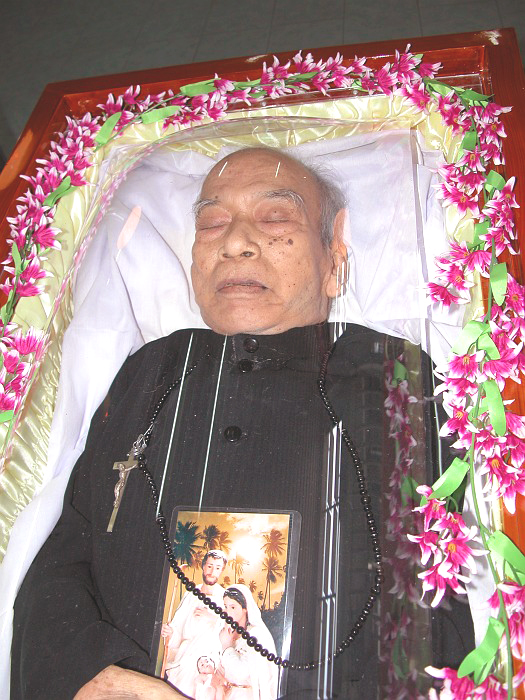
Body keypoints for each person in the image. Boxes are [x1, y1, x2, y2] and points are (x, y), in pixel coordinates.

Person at [11, 146, 429, 699]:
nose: (235, 242)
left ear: (334, 259)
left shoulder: (394, 373)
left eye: (275, 217)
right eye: (212, 223)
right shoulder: (149, 371)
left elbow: (443, 594)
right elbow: (65, 554)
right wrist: (86, 675)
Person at [161, 550, 227, 695]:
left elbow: (231, 631)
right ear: (203, 566)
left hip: (208, 659)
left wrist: (213, 619)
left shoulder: (224, 599)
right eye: (209, 566)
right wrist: (171, 632)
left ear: (221, 570)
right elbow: (178, 626)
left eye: (217, 568)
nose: (212, 572)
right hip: (186, 656)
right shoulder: (191, 594)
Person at [219, 586, 277, 700]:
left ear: (245, 608)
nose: (227, 612)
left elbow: (241, 674)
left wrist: (227, 647)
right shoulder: (226, 632)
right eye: (225, 606)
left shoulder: (256, 635)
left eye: (233, 607)